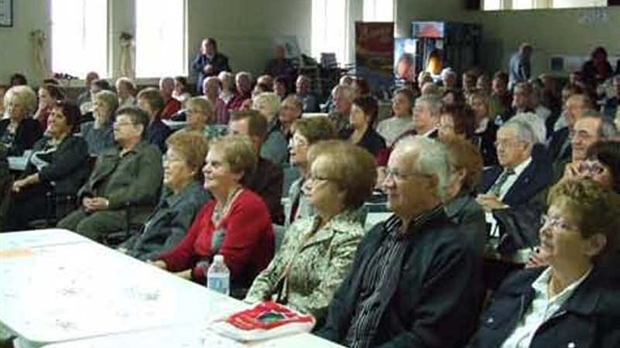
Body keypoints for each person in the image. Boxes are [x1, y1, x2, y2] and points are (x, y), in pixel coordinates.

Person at [316, 136, 483, 348]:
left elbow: (431, 336)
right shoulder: (377, 235)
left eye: (398, 175)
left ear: (431, 183)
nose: (386, 183)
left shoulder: (453, 251)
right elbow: (341, 304)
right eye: (387, 172)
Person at [470, 179, 620, 348]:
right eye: (546, 220)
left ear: (594, 244)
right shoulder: (517, 283)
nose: (544, 231)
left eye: (559, 225)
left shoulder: (609, 313)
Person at [245, 140, 376, 323]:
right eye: (309, 176)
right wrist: (251, 306)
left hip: (306, 328)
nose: (307, 184)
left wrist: (271, 318)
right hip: (268, 316)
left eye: (317, 178)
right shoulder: (301, 227)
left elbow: (324, 300)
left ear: (343, 189)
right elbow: (270, 274)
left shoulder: (352, 238)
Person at [152, 135, 274, 291]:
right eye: (206, 163)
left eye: (215, 165)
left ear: (238, 173)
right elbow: (184, 251)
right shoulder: (209, 208)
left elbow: (229, 265)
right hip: (203, 285)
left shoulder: (248, 205)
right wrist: (158, 265)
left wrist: (179, 277)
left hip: (237, 292)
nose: (205, 169)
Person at [58, 107, 163, 241]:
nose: (116, 127)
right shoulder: (109, 153)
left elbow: (144, 189)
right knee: (63, 228)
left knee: (87, 227)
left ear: (139, 129)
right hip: (97, 207)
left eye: (122, 124)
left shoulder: (149, 153)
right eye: (115, 123)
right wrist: (86, 197)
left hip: (128, 211)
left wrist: (108, 202)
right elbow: (90, 181)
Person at [119, 131, 210, 261]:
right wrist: (123, 248)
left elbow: (171, 252)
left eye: (173, 160)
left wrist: (131, 256)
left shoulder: (190, 203)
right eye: (166, 158)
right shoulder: (171, 193)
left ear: (193, 169)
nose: (165, 165)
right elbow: (145, 233)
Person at [7, 102, 89, 231]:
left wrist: (25, 182)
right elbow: (29, 169)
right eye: (51, 114)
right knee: (6, 198)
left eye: (59, 116)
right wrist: (17, 184)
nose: (52, 119)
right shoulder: (42, 143)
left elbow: (56, 170)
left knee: (17, 209)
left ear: (70, 124)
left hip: (55, 194)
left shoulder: (77, 144)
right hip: (33, 188)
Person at [229, 110, 284, 225]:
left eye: (235, 134)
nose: (228, 140)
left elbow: (260, 213)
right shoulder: (220, 168)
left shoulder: (272, 174)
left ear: (255, 140)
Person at [286, 116, 336, 227]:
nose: (290, 146)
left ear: (318, 148)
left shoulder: (324, 191)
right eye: (292, 140)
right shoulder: (295, 187)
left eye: (299, 142)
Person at [443, 138, 486, 256]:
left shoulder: (471, 212)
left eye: (443, 168)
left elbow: (465, 259)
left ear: (461, 174)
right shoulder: (428, 204)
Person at [0, 85, 42, 156]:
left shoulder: (32, 125)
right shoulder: (2, 123)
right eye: (10, 104)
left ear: (26, 107)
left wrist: (5, 150)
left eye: (17, 106)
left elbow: (24, 149)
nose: (12, 109)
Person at [252, 92, 288, 166]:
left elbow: (263, 163)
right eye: (255, 106)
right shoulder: (253, 130)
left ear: (273, 112)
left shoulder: (276, 138)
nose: (256, 110)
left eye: (261, 107)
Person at [80, 90, 117, 156]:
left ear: (110, 110)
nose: (96, 108)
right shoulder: (85, 127)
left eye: (101, 105)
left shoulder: (113, 130)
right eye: (95, 104)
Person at [136, 87, 172, 153]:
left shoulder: (161, 131)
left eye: (142, 105)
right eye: (138, 105)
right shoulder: (137, 126)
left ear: (155, 109)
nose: (138, 108)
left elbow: (152, 152)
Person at [469, 92, 499, 166]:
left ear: (487, 107)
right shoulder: (466, 128)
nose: (476, 108)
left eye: (479, 104)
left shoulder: (494, 129)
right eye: (473, 104)